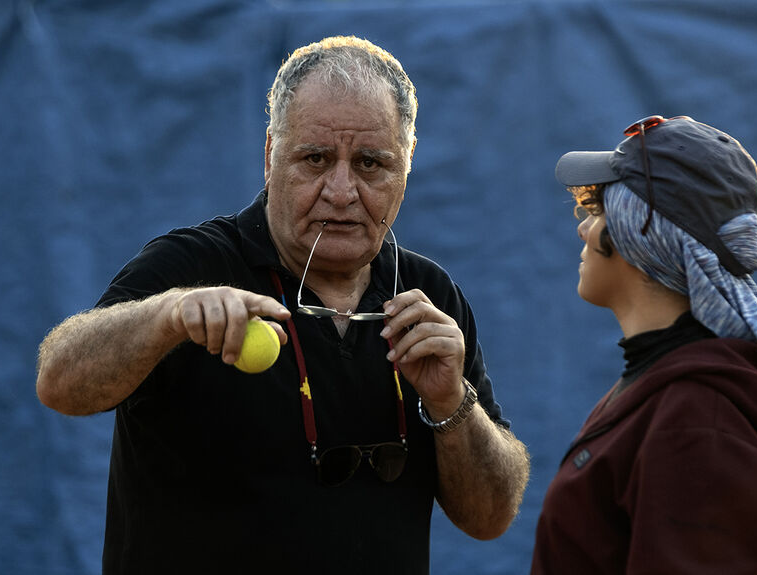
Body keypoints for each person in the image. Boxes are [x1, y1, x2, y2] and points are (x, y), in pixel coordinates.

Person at [36, 36, 530, 574]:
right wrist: (167, 316)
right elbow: (59, 382)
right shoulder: (192, 265)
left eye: (370, 164)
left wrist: (450, 402)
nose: (341, 191)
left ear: (407, 167)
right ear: (271, 156)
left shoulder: (428, 293)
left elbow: (491, 518)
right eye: (315, 159)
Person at [530, 115, 757, 574]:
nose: (584, 230)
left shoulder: (700, 423)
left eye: (600, 211)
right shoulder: (664, 388)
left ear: (640, 233)